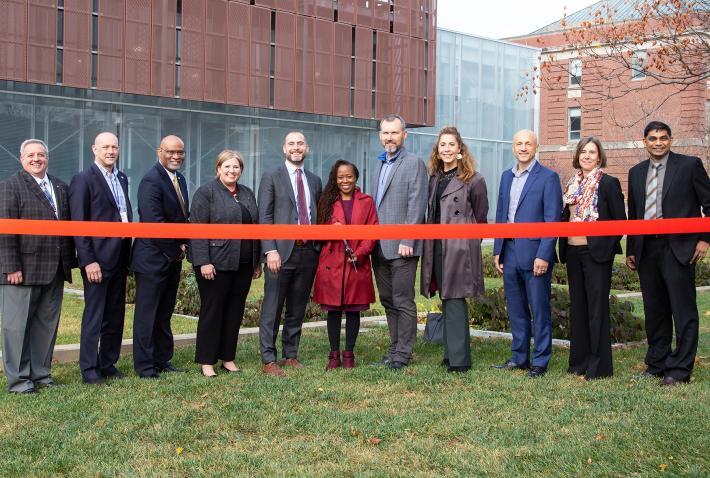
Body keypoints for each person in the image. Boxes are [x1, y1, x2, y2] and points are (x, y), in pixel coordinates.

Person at [626, 121, 710, 386]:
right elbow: (635, 214)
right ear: (645, 142)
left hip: (679, 247)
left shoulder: (689, 166)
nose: (658, 142)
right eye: (653, 138)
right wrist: (631, 249)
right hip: (646, 249)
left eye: (663, 138)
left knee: (683, 310)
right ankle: (657, 364)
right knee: (654, 310)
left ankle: (680, 369)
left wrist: (705, 239)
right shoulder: (635, 172)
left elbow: (709, 204)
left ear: (671, 140)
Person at [0, 139, 75, 394]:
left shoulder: (60, 187)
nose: (36, 159)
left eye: (41, 154)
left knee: (47, 326)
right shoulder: (10, 186)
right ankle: (20, 381)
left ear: (47, 158)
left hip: (54, 269)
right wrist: (11, 267)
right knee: (17, 327)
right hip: (22, 270)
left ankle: (41, 375)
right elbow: (5, 232)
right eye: (30, 155)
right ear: (21, 159)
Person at [492, 130, 562, 378]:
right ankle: (519, 357)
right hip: (509, 251)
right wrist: (497, 249)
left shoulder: (549, 178)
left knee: (539, 308)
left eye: (528, 144)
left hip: (535, 254)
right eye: (519, 144)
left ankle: (540, 361)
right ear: (513, 148)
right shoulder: (505, 177)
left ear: (536, 147)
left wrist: (544, 255)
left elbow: (552, 219)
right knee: (516, 308)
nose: (523, 148)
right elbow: (502, 214)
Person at [420, 126, 489, 373]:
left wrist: (467, 244)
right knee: (446, 298)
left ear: (460, 149)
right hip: (437, 246)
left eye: (451, 144)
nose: (447, 149)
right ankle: (450, 354)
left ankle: (460, 361)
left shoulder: (474, 179)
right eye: (442, 145)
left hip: (460, 248)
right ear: (437, 151)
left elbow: (481, 218)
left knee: (456, 299)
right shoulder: (434, 179)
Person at [558, 136, 626, 381]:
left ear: (599, 157)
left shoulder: (608, 183)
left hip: (596, 254)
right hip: (573, 252)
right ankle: (578, 362)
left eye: (592, 152)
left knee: (597, 310)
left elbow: (620, 223)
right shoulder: (571, 184)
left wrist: (605, 249)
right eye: (583, 151)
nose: (587, 156)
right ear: (577, 156)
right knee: (578, 307)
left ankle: (599, 367)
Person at [188, 150, 261, 377]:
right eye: (227, 167)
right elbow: (197, 229)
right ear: (218, 169)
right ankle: (207, 362)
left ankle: (227, 358)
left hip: (244, 263)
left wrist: (256, 262)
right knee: (213, 311)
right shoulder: (205, 193)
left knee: (234, 312)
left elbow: (255, 228)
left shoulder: (247, 193)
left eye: (236, 167)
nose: (232, 171)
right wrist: (203, 261)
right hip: (215, 264)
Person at [69, 132, 133, 385]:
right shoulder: (83, 179)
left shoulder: (122, 178)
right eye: (105, 146)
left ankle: (108, 363)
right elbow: (79, 224)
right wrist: (88, 261)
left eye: (114, 146)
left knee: (115, 315)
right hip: (97, 259)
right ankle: (90, 369)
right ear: (94, 149)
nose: (110, 151)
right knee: (94, 316)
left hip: (120, 257)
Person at [258, 131, 322, 377]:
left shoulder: (314, 180)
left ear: (307, 148)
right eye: (292, 144)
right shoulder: (271, 177)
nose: (296, 148)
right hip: (280, 252)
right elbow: (264, 216)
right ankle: (268, 359)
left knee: (297, 306)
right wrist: (270, 249)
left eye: (301, 144)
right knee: (273, 307)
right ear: (284, 148)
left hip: (308, 252)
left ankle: (290, 355)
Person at [371, 114, 428, 370]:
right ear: (380, 135)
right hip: (379, 246)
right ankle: (394, 349)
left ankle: (403, 354)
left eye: (394, 133)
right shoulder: (380, 163)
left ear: (404, 135)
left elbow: (417, 202)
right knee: (387, 299)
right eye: (385, 133)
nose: (389, 138)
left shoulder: (413, 163)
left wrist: (408, 237)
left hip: (403, 246)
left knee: (403, 299)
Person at [130, 135, 190, 379]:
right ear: (159, 152)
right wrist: (177, 250)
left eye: (180, 152)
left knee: (164, 313)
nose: (176, 156)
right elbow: (154, 223)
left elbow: (183, 217)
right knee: (147, 314)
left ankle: (162, 359)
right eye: (171, 152)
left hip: (171, 258)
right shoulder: (151, 181)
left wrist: (185, 242)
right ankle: (145, 366)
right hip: (152, 259)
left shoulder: (179, 179)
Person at [312, 160, 378, 371]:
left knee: (353, 311)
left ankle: (349, 354)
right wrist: (333, 228)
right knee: (333, 311)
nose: (345, 180)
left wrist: (359, 254)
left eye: (348, 176)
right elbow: (318, 231)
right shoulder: (327, 201)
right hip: (332, 263)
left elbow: (373, 231)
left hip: (356, 263)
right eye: (340, 177)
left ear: (355, 177)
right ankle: (334, 355)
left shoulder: (367, 201)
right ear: (335, 179)